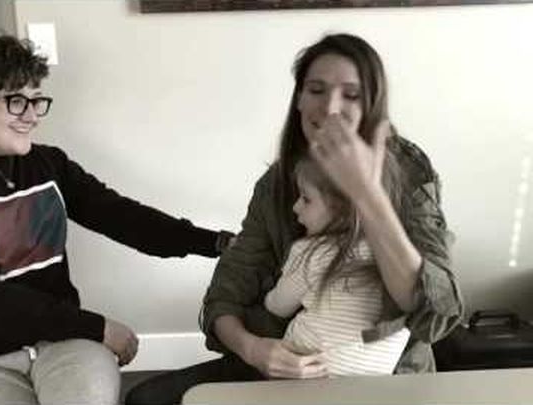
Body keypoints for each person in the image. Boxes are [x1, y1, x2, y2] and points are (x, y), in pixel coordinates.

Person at [0, 31, 234, 405]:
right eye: (15, 101)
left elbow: (123, 217)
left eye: (36, 100)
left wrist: (216, 243)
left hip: (61, 345)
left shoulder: (47, 164)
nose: (31, 116)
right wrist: (96, 327)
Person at [125, 33, 464, 405]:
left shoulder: (409, 172)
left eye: (351, 95)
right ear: (299, 98)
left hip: (384, 381)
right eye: (316, 90)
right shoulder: (275, 185)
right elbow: (225, 296)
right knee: (146, 399)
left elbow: (438, 313)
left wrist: (368, 196)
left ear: (372, 105)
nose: (331, 107)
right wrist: (254, 349)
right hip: (278, 365)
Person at [264, 154, 411, 377]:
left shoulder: (312, 252)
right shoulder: (403, 258)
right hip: (373, 385)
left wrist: (268, 293)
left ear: (344, 209)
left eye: (306, 199)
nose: (295, 207)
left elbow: (278, 306)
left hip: (305, 377)